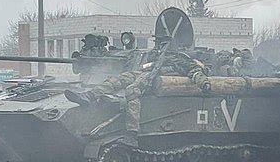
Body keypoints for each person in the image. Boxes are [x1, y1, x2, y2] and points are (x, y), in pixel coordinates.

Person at [64, 38, 210, 146]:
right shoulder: (158, 55)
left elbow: (196, 72)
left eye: (163, 43)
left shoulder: (182, 59)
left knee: (132, 90)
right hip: (145, 73)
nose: (160, 46)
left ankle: (132, 133)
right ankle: (89, 96)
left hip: (160, 79)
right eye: (159, 43)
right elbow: (147, 66)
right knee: (117, 80)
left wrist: (204, 83)